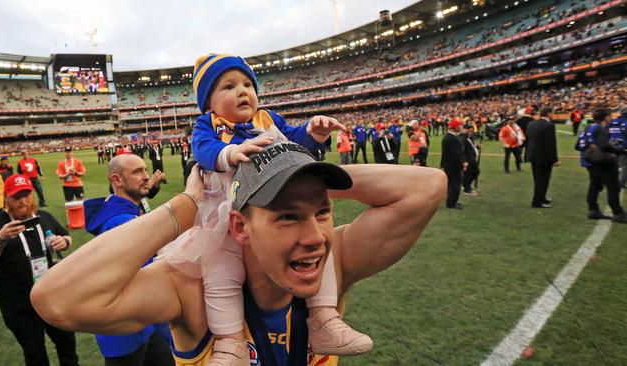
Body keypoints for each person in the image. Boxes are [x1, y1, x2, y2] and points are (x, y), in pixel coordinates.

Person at [30, 141, 447, 366]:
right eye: (287, 217)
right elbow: (55, 299)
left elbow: (428, 187)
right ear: (240, 227)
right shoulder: (191, 290)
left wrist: (292, 167)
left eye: (322, 211)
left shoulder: (332, 262)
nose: (316, 237)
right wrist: (186, 207)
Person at [190, 54, 360, 365]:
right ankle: (230, 343)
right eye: (228, 86)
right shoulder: (208, 125)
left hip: (271, 202)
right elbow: (202, 150)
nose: (242, 91)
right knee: (220, 270)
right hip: (225, 214)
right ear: (209, 103)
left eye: (246, 84)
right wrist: (229, 152)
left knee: (322, 249)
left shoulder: (267, 119)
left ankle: (324, 318)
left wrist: (314, 132)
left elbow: (295, 137)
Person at [0, 174, 78, 366]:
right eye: (17, 197)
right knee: (35, 355)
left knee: (68, 349)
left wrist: (64, 241)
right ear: (7, 198)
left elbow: (66, 237)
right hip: (20, 306)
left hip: (54, 298)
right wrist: (0, 239)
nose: (24, 201)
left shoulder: (44, 217)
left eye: (27, 195)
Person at [84, 155, 175, 365]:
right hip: (124, 329)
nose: (146, 177)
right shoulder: (123, 221)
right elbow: (147, 277)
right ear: (117, 180)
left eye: (145, 170)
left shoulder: (124, 211)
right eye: (137, 172)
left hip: (140, 323)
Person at [575, 108, 627, 223]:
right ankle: (618, 212)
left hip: (590, 161)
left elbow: (578, 145)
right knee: (613, 187)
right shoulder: (600, 129)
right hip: (603, 162)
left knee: (594, 185)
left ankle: (593, 210)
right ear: (606, 117)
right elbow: (604, 146)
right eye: (610, 116)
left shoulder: (588, 127)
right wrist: (621, 151)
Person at [526, 107, 559, 208]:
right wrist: (554, 159)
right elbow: (551, 144)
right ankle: (537, 201)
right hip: (544, 157)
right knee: (543, 180)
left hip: (533, 155)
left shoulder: (531, 124)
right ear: (548, 114)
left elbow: (529, 140)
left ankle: (542, 197)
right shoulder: (549, 126)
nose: (553, 115)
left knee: (538, 179)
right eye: (552, 113)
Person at [441, 119, 467, 209]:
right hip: (453, 165)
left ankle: (452, 201)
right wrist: (463, 162)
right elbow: (456, 153)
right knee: (455, 184)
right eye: (459, 126)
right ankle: (451, 203)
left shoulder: (448, 137)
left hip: (448, 164)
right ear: (455, 127)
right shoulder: (451, 138)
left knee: (452, 184)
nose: (460, 127)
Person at [459, 124, 480, 196]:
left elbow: (471, 145)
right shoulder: (462, 138)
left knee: (473, 173)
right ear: (463, 129)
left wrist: (477, 147)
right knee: (473, 173)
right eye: (468, 129)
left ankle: (466, 185)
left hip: (472, 159)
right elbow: (461, 150)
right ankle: (467, 189)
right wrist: (464, 161)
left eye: (471, 129)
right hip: (468, 160)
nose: (470, 130)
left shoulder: (469, 137)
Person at [609, 109, 627, 188]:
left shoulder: (612, 121)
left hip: (611, 146)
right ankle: (621, 183)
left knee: (614, 165)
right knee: (624, 166)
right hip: (623, 147)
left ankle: (611, 181)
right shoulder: (625, 122)